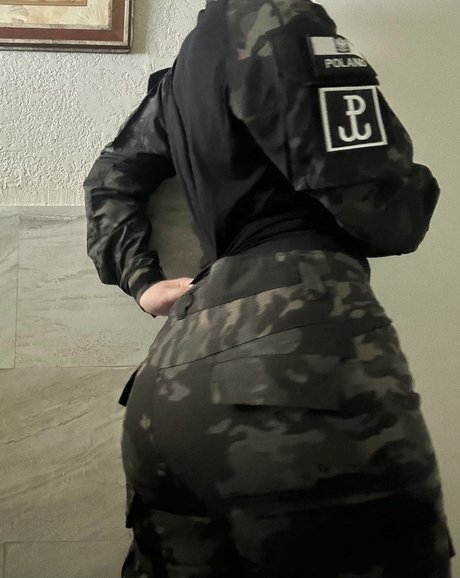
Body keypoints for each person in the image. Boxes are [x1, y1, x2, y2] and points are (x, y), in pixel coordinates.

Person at [84, 1, 454, 576]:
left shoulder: (184, 71)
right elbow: (386, 213)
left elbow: (110, 178)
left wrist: (143, 282)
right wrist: (419, 182)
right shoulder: (285, 21)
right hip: (292, 361)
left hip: (173, 373)